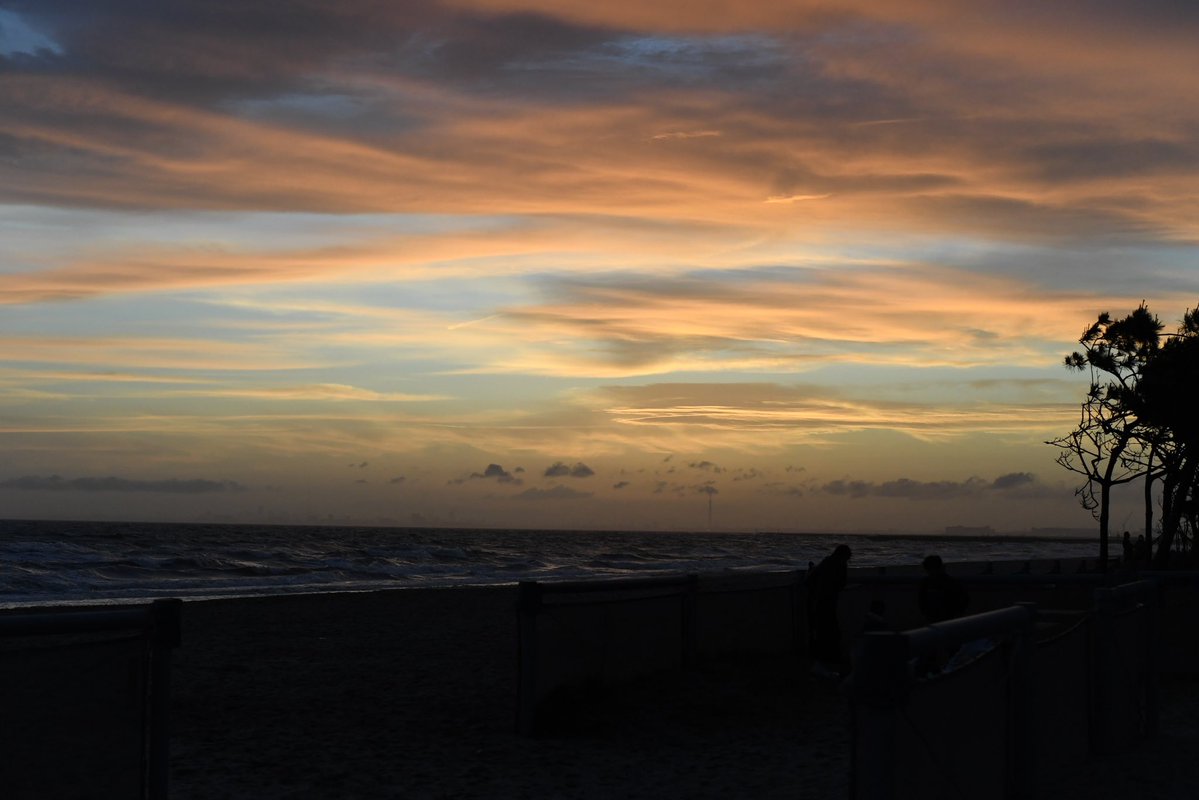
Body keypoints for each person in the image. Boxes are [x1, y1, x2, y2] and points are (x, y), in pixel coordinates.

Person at [806, 544, 851, 674]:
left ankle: (822, 658)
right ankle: (831, 658)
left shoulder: (826, 562)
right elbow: (842, 584)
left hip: (818, 601)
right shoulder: (840, 565)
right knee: (831, 631)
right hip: (828, 602)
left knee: (822, 630)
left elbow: (811, 579)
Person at [917, 554, 968, 624]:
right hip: (944, 618)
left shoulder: (926, 583)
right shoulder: (951, 582)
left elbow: (922, 602)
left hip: (941, 618)